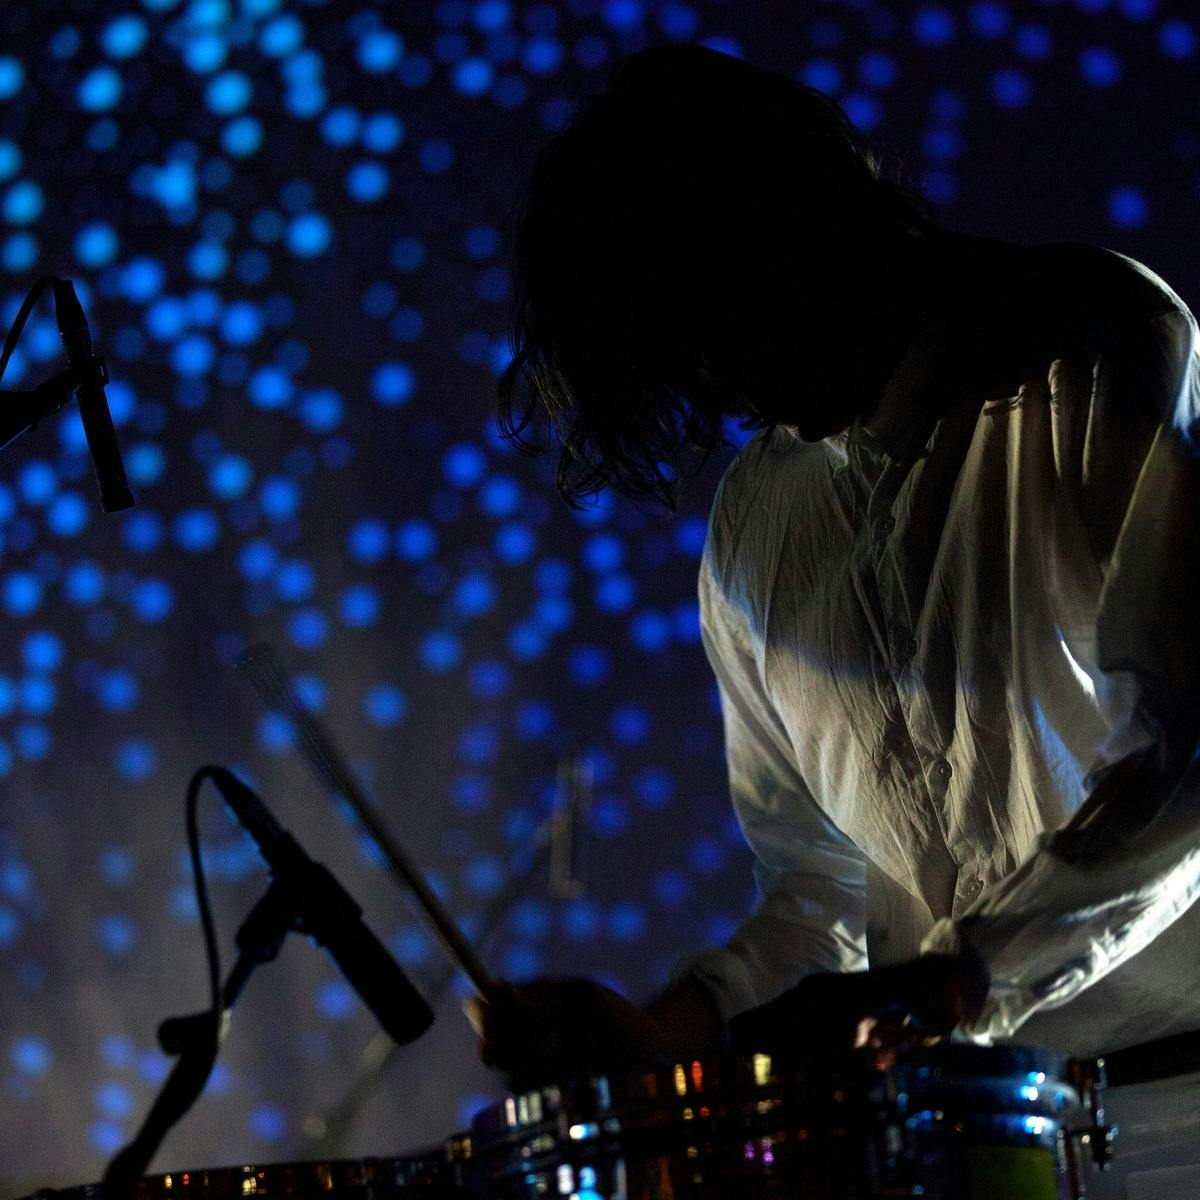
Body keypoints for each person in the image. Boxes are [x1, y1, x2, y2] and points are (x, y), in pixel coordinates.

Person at [470, 43, 1200, 1195]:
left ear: (793, 221)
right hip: (968, 1142)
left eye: (708, 320)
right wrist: (677, 1032)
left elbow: (1190, 756)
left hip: (1177, 1116)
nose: (713, 386)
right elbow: (821, 894)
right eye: (678, 357)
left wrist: (956, 984)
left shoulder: (1094, 342)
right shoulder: (755, 525)